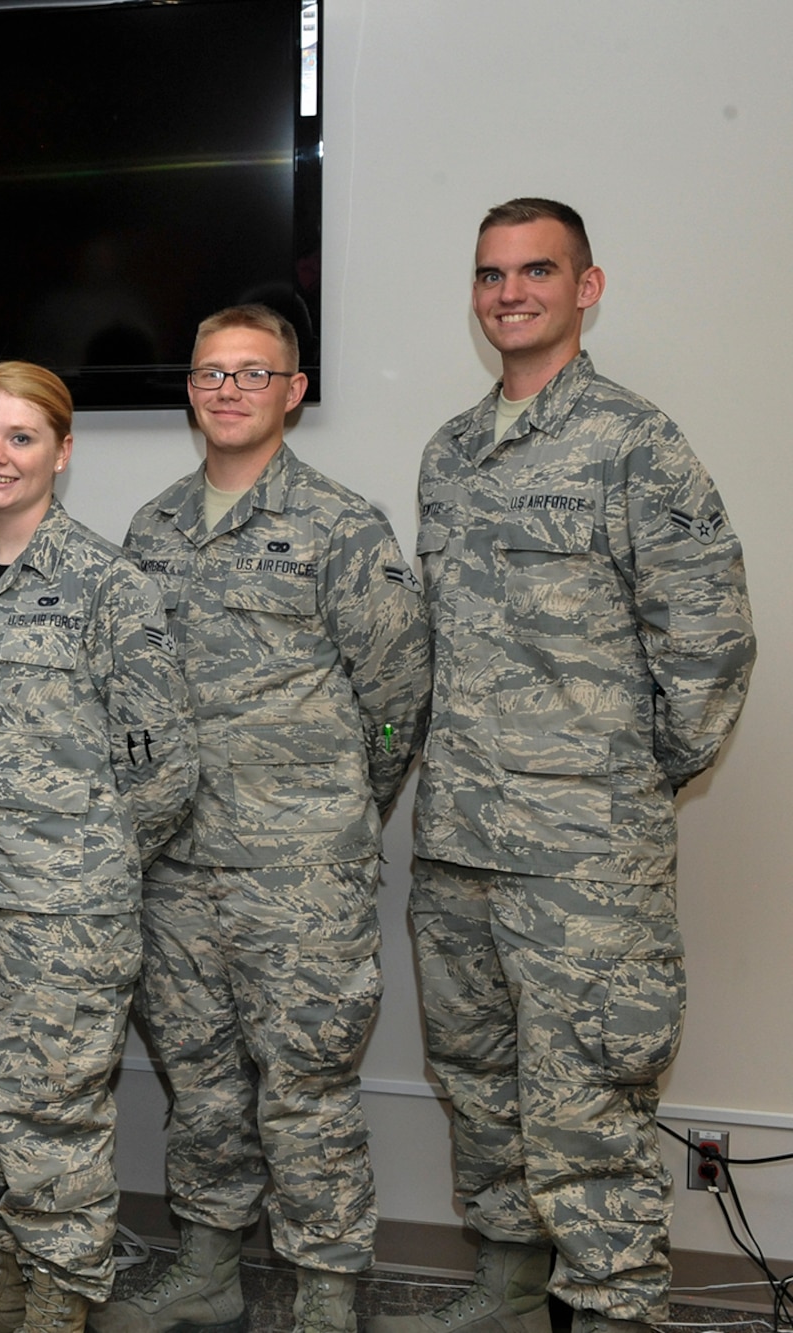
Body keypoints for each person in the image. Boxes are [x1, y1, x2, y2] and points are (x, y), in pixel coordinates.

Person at [368, 200, 755, 1333]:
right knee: (478, 1080)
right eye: (490, 275)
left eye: (536, 271)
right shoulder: (449, 452)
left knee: (588, 1098)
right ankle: (507, 1286)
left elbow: (709, 636)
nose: (510, 293)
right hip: (458, 842)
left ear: (586, 288)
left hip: (582, 858)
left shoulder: (634, 441)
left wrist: (622, 783)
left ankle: (613, 1311)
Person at [95, 306, 430, 1333]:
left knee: (305, 1087)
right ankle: (207, 1269)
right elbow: (131, 698)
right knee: (198, 1081)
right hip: (175, 865)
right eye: (210, 372)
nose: (229, 389)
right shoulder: (151, 528)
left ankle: (326, 1292)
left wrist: (336, 806)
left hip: (299, 873)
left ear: (292, 389)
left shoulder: (340, 525)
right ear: (189, 389)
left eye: (252, 372)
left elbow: (398, 699)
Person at [0, 362, 197, 1333]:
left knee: (50, 1114)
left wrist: (86, 856)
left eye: (20, 436)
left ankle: (57, 1305)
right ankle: (3, 1278)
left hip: (62, 910)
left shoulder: (108, 585)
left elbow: (162, 763)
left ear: (61, 451)